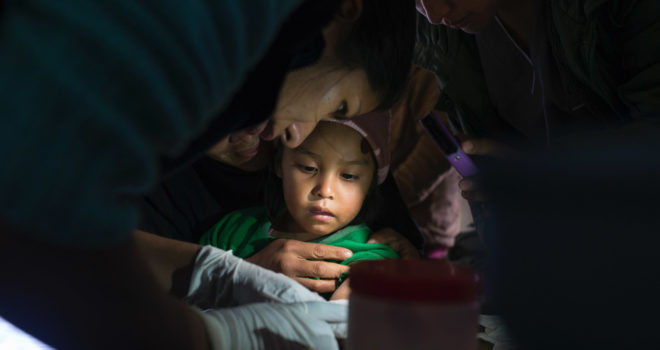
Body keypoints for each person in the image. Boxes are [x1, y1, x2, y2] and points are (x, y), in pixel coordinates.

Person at [0, 0, 416, 349]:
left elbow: (62, 219)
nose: (297, 133)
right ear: (345, 9)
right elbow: (34, 230)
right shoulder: (211, 22)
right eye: (338, 105)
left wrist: (210, 270)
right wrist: (212, 337)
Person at [199, 113, 398, 300]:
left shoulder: (370, 259)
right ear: (279, 164)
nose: (325, 190)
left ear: (371, 182)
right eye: (308, 167)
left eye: (348, 176)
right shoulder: (231, 231)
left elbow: (342, 326)